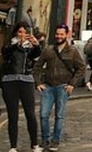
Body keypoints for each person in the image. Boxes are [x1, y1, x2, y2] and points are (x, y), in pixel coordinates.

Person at [34, 24, 86, 152]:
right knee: (43, 115)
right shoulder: (48, 49)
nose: (58, 36)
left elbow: (81, 67)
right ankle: (45, 140)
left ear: (67, 35)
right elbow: (37, 67)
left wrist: (72, 83)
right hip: (48, 86)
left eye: (61, 34)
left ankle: (55, 141)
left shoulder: (72, 51)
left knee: (59, 115)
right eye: (57, 34)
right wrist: (38, 83)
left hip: (63, 87)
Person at [1, 22, 42, 152]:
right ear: (15, 33)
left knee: (30, 114)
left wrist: (36, 45)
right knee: (13, 116)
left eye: (24, 32)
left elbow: (35, 56)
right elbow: (6, 54)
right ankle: (13, 146)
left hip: (26, 80)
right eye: (20, 32)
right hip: (10, 81)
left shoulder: (29, 47)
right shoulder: (9, 45)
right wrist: (17, 44)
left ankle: (34, 144)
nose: (22, 35)